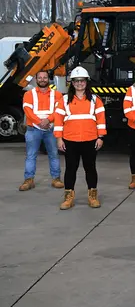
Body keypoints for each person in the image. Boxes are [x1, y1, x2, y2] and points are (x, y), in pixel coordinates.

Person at [53, 66, 107, 210]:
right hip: (70, 141)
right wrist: (59, 138)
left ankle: (93, 196)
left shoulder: (95, 100)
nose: (79, 84)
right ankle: (68, 197)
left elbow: (101, 120)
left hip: (90, 140)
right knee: (71, 169)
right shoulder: (64, 100)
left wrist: (100, 137)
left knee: (90, 168)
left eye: (82, 81)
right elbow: (58, 121)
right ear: (72, 83)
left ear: (86, 82)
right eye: (76, 81)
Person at [19, 71, 64, 191]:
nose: (42, 79)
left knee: (54, 154)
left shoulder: (57, 95)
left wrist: (48, 120)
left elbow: (59, 111)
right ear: (36, 79)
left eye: (45, 77)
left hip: (51, 129)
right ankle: (29, 180)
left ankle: (56, 179)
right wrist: (40, 122)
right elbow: (27, 110)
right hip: (33, 129)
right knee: (30, 155)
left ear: (48, 79)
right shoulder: (29, 94)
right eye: (40, 78)